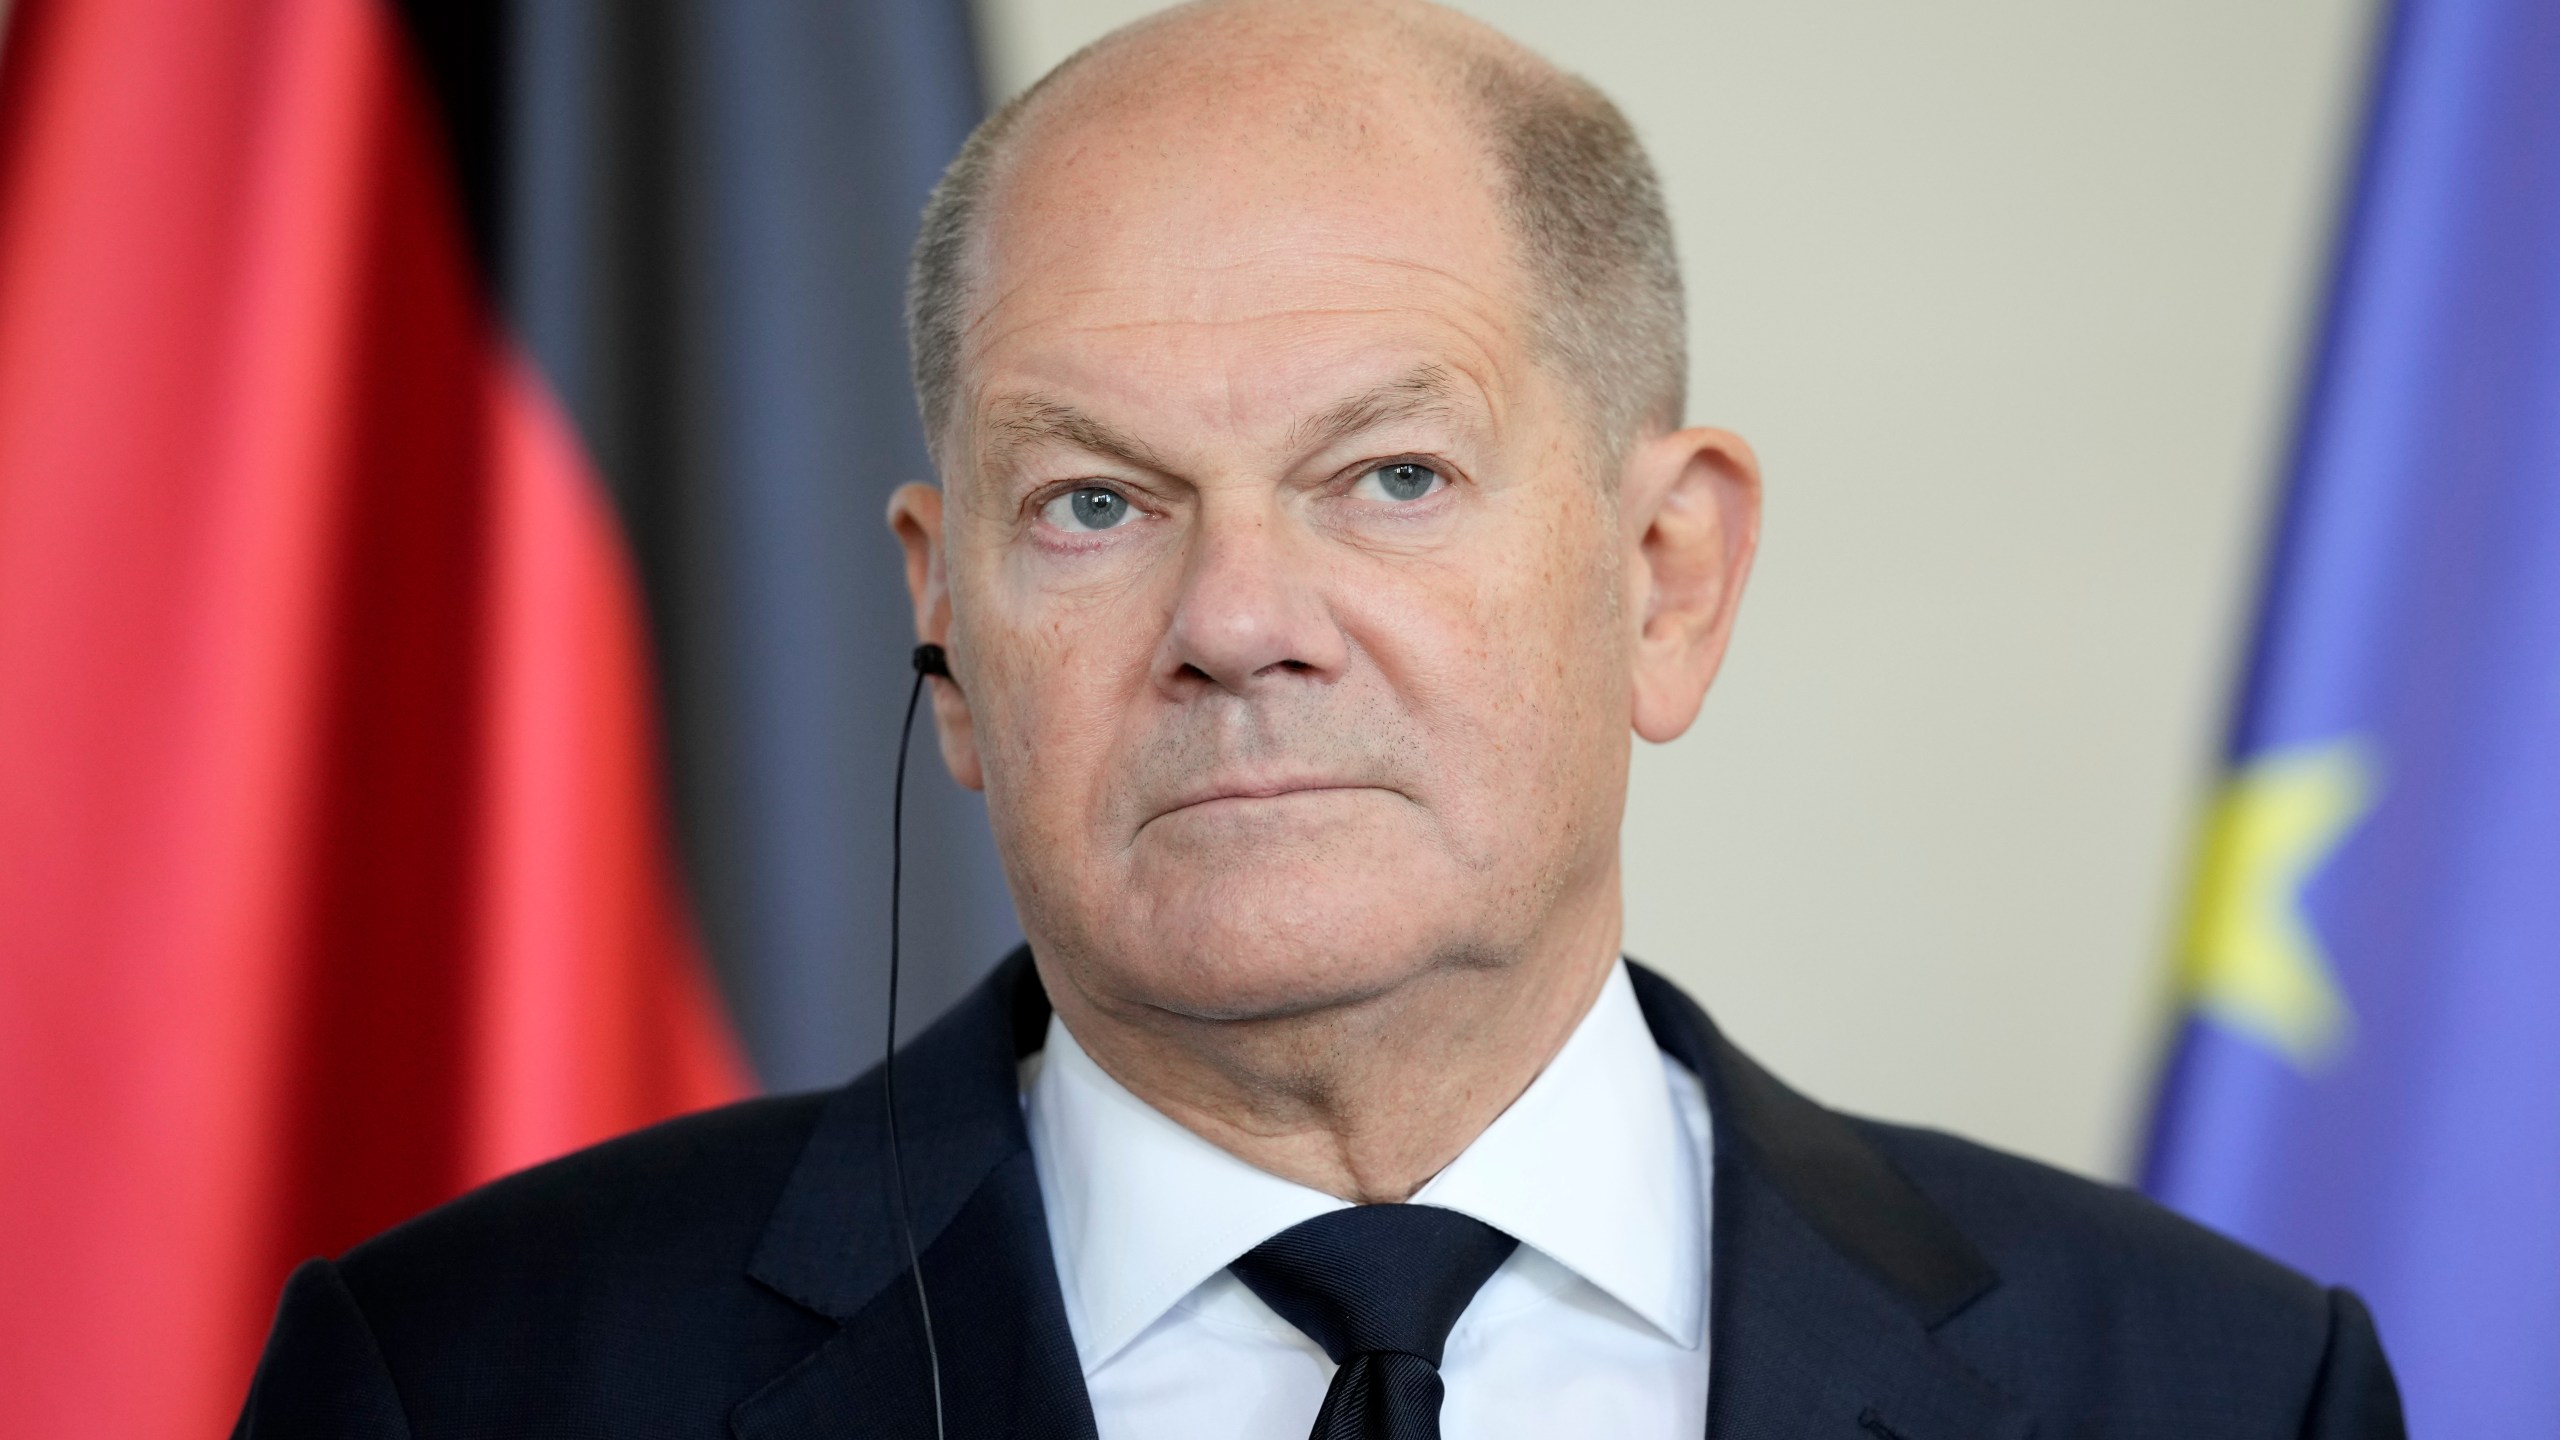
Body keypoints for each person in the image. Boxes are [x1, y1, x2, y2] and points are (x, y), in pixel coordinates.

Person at [234, 2, 2404, 1436]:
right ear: (944, 625)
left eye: (1388, 476)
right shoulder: (473, 1382)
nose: (1237, 621)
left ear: (1664, 577)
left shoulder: (2208, 1388)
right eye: (1092, 502)